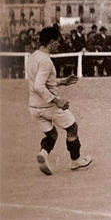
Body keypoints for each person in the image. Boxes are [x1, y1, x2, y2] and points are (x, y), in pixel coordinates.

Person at [26, 26, 92, 175]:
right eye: (57, 41)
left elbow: (40, 81)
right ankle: (75, 160)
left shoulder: (33, 57)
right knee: (72, 128)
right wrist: (57, 101)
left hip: (34, 107)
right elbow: (39, 85)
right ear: (51, 42)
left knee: (52, 135)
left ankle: (43, 153)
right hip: (48, 106)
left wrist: (62, 82)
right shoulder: (46, 61)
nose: (59, 45)